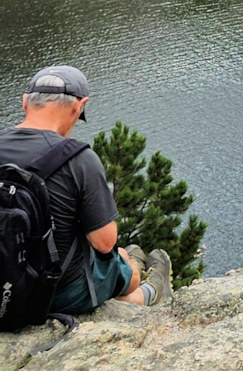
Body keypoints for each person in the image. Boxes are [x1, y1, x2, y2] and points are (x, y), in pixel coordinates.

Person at [0, 66, 171, 316]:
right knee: (123, 263)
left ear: (25, 102)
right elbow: (104, 243)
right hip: (52, 292)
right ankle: (152, 291)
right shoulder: (78, 159)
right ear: (78, 106)